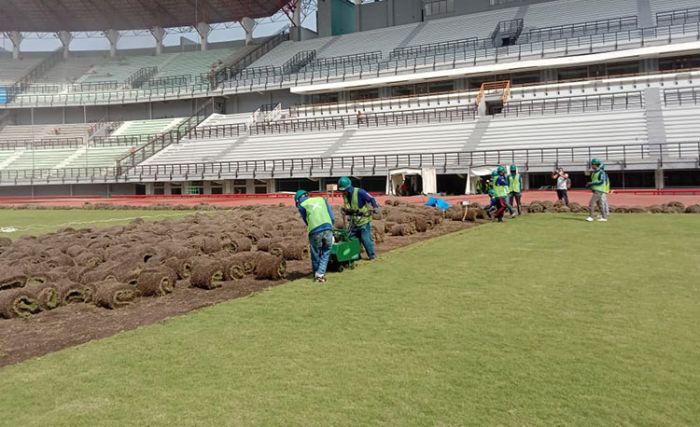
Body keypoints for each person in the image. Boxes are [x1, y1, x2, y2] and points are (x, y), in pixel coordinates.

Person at [295, 190, 335, 283]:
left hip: (315, 230)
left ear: (297, 200)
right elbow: (332, 216)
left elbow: (306, 220)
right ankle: (320, 273)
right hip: (328, 227)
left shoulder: (302, 205)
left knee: (315, 252)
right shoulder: (321, 199)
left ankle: (317, 274)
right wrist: (331, 225)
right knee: (326, 251)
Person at [338, 176, 379, 260]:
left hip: (363, 220)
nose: (343, 192)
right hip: (354, 221)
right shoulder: (345, 195)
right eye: (342, 191)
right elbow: (348, 206)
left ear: (348, 188)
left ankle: (372, 256)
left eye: (344, 190)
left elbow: (371, 199)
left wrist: (375, 207)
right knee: (352, 239)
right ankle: (356, 256)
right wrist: (346, 211)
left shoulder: (360, 192)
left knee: (365, 239)